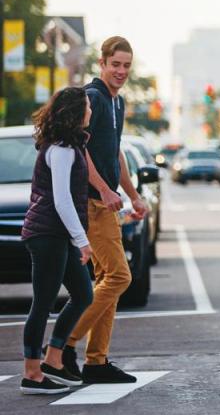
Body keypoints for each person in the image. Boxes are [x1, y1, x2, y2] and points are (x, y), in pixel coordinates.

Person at [61, 36, 147, 384]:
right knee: (119, 277)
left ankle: (96, 361)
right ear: (102, 63)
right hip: (91, 202)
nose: (121, 71)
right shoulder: (92, 98)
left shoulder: (117, 102)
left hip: (106, 202)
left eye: (126, 65)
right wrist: (103, 189)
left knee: (108, 280)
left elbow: (115, 155)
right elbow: (80, 151)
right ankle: (62, 344)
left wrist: (133, 195)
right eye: (116, 64)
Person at [19, 88, 95, 395]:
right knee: (44, 302)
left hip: (56, 234)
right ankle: (32, 373)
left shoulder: (70, 145)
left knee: (83, 294)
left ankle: (53, 358)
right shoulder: (62, 148)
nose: (91, 111)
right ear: (76, 112)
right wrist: (83, 241)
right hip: (48, 235)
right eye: (88, 107)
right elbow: (62, 200)